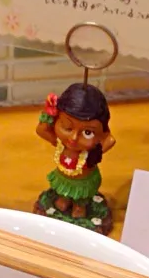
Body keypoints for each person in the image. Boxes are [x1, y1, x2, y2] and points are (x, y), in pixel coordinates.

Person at [35, 83, 116, 232]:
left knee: (81, 198)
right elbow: (41, 130)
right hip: (64, 177)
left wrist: (96, 144)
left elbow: (110, 140)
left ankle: (79, 206)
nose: (73, 138)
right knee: (61, 197)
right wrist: (48, 114)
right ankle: (64, 199)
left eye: (87, 133)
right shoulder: (61, 144)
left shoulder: (90, 153)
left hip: (83, 181)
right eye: (67, 127)